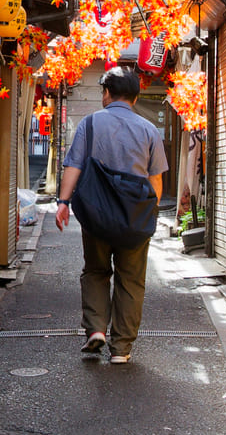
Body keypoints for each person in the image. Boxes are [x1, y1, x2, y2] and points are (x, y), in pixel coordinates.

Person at [55, 65, 167, 363]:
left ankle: (96, 330)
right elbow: (155, 179)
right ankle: (121, 349)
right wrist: (150, 212)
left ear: (106, 93)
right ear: (135, 96)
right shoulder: (149, 130)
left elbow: (74, 166)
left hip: (97, 213)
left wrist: (63, 202)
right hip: (135, 217)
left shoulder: (90, 124)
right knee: (131, 279)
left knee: (96, 270)